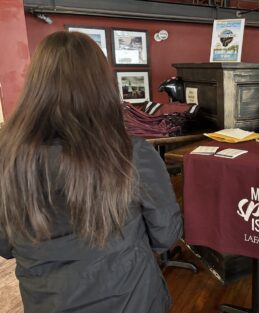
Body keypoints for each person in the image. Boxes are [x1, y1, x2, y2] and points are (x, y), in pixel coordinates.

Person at [0, 31, 182, 313]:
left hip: (46, 302)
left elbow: (5, 245)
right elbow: (166, 234)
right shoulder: (132, 153)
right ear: (104, 87)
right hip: (131, 299)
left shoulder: (7, 157)